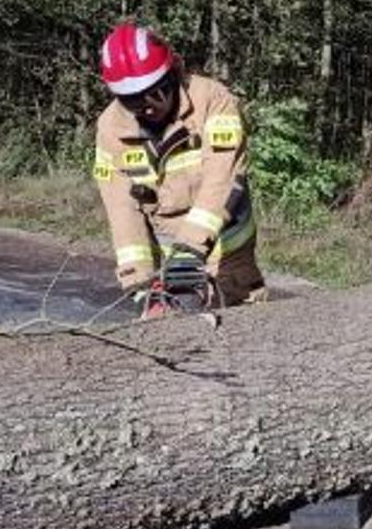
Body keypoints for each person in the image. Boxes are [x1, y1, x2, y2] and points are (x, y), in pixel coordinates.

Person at [92, 22, 265, 312]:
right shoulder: (111, 128)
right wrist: (138, 278)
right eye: (132, 100)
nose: (147, 106)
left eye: (155, 92)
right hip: (167, 264)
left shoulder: (213, 101)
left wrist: (190, 250)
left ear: (172, 74)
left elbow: (222, 178)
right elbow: (121, 208)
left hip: (227, 255)